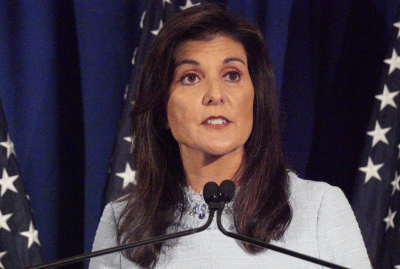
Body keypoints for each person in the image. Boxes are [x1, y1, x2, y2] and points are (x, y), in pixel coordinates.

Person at [89, 4, 371, 269]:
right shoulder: (124, 223)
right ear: (162, 109)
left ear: (255, 97)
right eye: (190, 77)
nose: (215, 95)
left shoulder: (319, 208)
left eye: (232, 75)